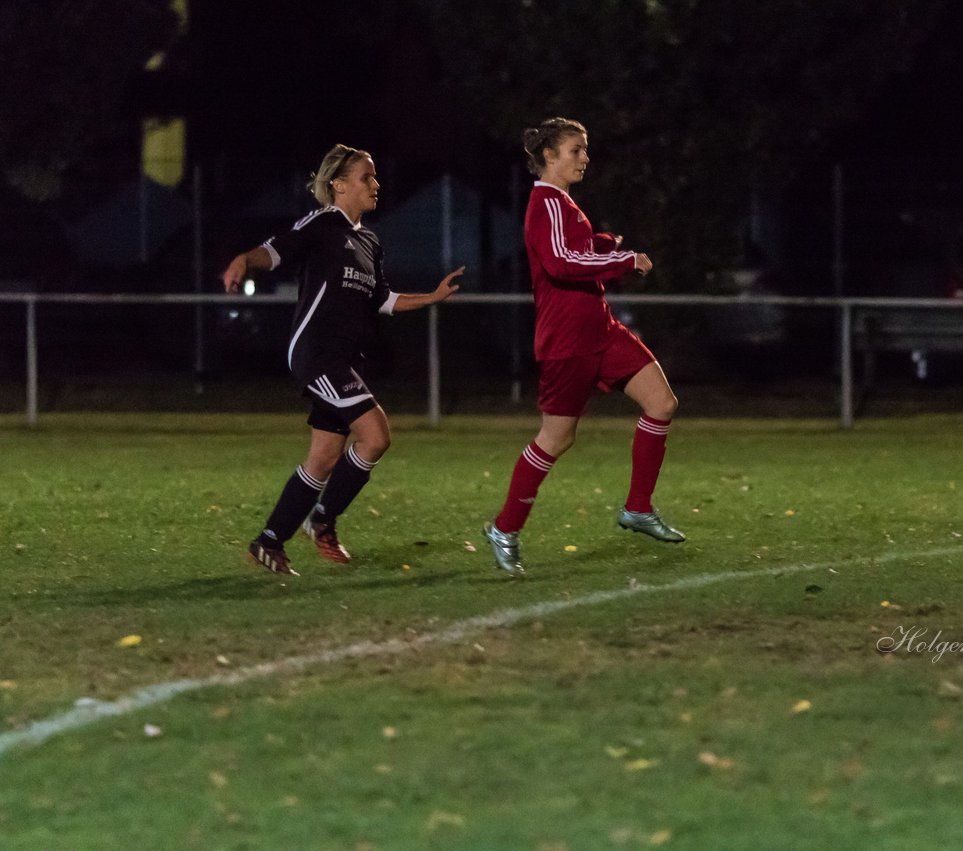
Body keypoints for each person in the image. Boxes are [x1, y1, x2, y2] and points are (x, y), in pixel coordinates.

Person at [222, 144, 463, 576]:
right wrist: (245, 259)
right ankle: (322, 520)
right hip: (317, 354)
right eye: (367, 177)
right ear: (339, 184)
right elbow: (276, 251)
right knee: (375, 435)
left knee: (324, 457)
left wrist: (433, 296)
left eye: (374, 176)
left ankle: (269, 542)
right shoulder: (323, 223)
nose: (376, 184)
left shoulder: (369, 239)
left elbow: (384, 299)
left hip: (345, 359)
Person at [483, 117, 683, 577]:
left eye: (585, 149)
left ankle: (637, 508)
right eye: (576, 150)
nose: (584, 158)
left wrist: (601, 243)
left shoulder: (565, 204)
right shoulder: (545, 202)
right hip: (567, 341)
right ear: (549, 156)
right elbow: (559, 262)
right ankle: (505, 528)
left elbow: (574, 249)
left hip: (601, 330)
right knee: (557, 438)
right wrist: (621, 259)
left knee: (662, 402)